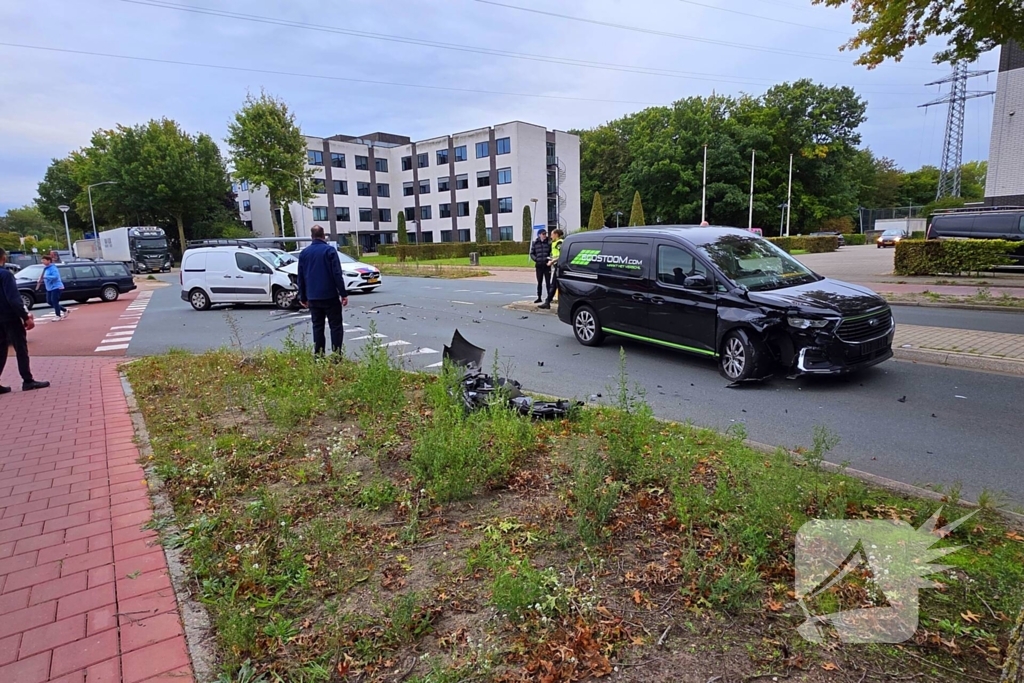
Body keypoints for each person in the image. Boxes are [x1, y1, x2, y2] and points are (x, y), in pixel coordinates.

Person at [0, 248, 49, 393]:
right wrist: (25, 316)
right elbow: (14, 299)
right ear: (3, 257)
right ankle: (27, 380)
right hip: (10, 317)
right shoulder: (5, 275)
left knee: (1, 349)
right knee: (20, 348)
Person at [297, 226, 349, 358]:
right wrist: (343, 293)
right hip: (330, 295)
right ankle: (336, 355)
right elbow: (337, 274)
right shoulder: (329, 251)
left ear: (312, 236)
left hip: (313, 297)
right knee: (335, 326)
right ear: (323, 235)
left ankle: (319, 355)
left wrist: (303, 296)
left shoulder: (304, 253)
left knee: (318, 326)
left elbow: (301, 277)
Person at [36, 255, 69, 320]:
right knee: (49, 301)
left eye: (44, 260)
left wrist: (45, 277)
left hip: (56, 287)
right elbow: (44, 277)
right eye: (42, 260)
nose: (42, 262)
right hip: (49, 288)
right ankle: (64, 310)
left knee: (54, 301)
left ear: (49, 261)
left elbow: (55, 277)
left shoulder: (53, 268)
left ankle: (58, 316)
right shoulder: (46, 268)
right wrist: (40, 279)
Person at [540, 228, 564, 309]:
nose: (550, 236)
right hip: (557, 265)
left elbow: (562, 255)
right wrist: (551, 259)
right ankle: (548, 302)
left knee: (553, 285)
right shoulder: (555, 243)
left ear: (556, 235)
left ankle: (548, 302)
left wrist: (552, 261)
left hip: (560, 266)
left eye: (552, 234)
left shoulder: (559, 243)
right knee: (555, 285)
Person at [530, 229, 552, 304]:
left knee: (548, 282)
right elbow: (532, 253)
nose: (544, 235)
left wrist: (549, 260)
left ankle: (549, 298)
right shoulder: (535, 243)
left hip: (546, 266)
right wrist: (536, 259)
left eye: (545, 234)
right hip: (539, 266)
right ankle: (539, 297)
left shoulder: (549, 243)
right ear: (539, 235)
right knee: (539, 282)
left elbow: (551, 253)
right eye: (543, 234)